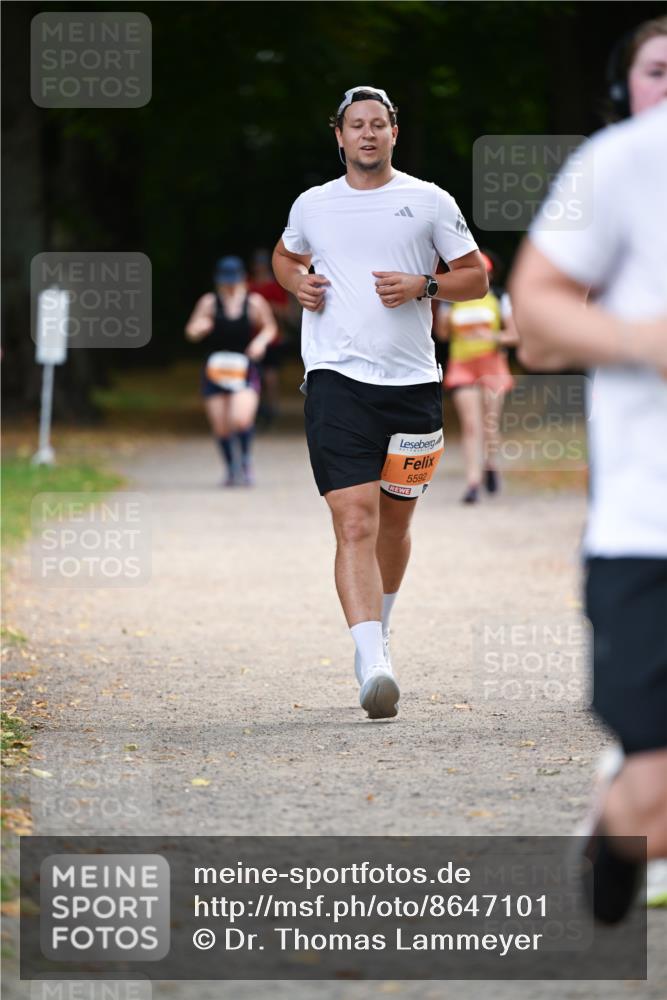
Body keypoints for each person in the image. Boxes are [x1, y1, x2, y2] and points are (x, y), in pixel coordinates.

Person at [509, 17, 667, 923]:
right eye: (657, 70)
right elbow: (532, 325)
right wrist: (642, 340)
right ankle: (619, 820)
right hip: (648, 522)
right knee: (653, 804)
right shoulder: (621, 164)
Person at [272, 85, 487, 719]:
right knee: (355, 521)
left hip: (413, 385)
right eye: (355, 125)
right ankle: (372, 662)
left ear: (395, 132)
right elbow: (285, 255)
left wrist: (425, 284)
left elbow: (475, 278)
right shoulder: (313, 204)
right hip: (336, 379)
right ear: (338, 136)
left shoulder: (430, 200)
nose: (367, 134)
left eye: (377, 124)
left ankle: (380, 630)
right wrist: (297, 283)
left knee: (394, 524)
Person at [185, 256, 277, 486]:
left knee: (240, 419)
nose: (229, 285)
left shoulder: (254, 302)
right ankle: (230, 469)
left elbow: (270, 327)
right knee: (221, 426)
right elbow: (191, 331)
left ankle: (245, 462)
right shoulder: (209, 302)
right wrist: (199, 328)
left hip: (243, 368)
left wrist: (260, 342)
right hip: (216, 369)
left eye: (233, 280)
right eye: (225, 281)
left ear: (242, 278)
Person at [434, 252, 518, 503]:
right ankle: (473, 482)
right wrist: (444, 318)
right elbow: (442, 335)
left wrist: (490, 337)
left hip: (491, 365)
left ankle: (491, 464)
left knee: (490, 424)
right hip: (462, 366)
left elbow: (514, 335)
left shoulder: (499, 298)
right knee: (471, 425)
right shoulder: (452, 300)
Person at [248, 248, 291, 427]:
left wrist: (268, 307)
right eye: (257, 264)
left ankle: (272, 408)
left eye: (262, 264)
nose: (259, 267)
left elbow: (286, 311)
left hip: (273, 338)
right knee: (254, 375)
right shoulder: (249, 285)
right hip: (251, 338)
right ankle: (256, 409)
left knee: (270, 375)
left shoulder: (274, 286)